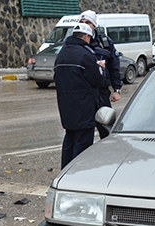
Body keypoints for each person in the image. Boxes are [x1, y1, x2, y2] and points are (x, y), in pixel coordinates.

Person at [54, 23, 105, 168]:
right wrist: (100, 68)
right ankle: (77, 175)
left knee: (69, 141)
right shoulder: (85, 55)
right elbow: (97, 80)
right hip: (84, 108)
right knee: (82, 146)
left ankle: (65, 173)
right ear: (86, 36)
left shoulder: (62, 54)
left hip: (66, 107)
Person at [78, 9, 123, 139]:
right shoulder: (76, 43)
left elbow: (114, 66)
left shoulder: (105, 43)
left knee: (106, 128)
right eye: (82, 22)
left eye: (88, 22)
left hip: (102, 92)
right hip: (84, 93)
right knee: (84, 132)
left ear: (94, 25)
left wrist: (117, 89)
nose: (85, 25)